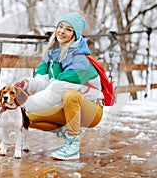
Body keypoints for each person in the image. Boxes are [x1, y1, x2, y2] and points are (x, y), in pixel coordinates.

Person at [15, 11, 104, 160]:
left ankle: (73, 145)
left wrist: (25, 103)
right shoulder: (52, 53)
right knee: (26, 118)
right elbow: (43, 80)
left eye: (68, 29)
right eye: (60, 27)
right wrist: (26, 85)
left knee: (71, 95)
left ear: (75, 35)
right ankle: (67, 129)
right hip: (67, 107)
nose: (62, 31)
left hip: (92, 110)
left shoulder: (80, 60)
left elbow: (55, 90)